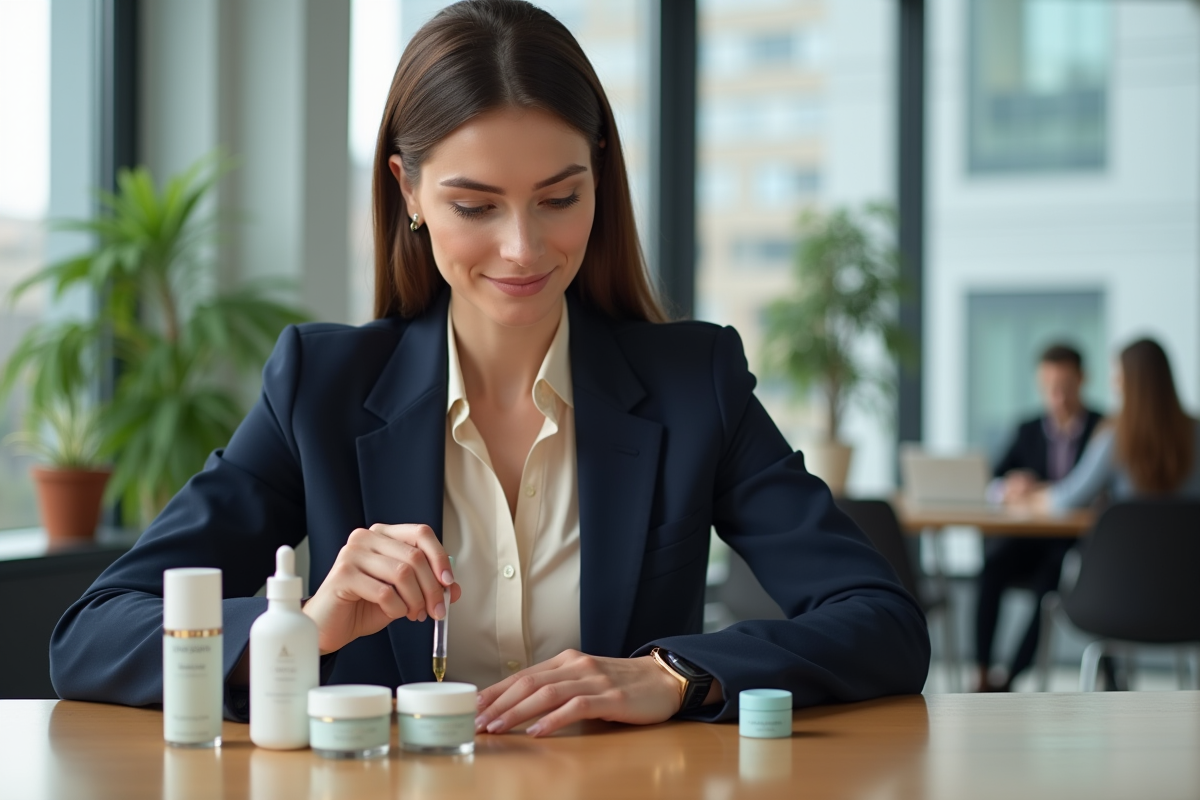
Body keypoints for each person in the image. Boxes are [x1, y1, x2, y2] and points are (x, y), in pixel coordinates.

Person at [50, 0, 928, 736]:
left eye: (560, 198)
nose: (523, 247)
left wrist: (674, 673)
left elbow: (880, 622)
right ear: (409, 192)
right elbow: (94, 635)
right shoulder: (320, 389)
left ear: (600, 181)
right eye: (475, 204)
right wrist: (301, 627)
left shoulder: (693, 383)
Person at [974, 344, 1102, 692]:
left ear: (1082, 380)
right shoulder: (1027, 429)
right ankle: (982, 672)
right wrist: (1008, 487)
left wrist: (1044, 492)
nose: (1057, 397)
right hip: (1029, 538)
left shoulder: (1102, 431)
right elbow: (993, 483)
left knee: (1049, 581)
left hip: (1073, 544)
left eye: (1065, 386)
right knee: (992, 567)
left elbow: (1089, 492)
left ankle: (1010, 678)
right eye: (1049, 387)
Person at [1030, 338, 1200, 513]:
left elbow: (1068, 499)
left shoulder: (1116, 436)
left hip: (1130, 540)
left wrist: (1030, 496)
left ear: (1127, 383)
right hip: (1190, 540)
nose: (1114, 382)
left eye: (1119, 375)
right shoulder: (1196, 430)